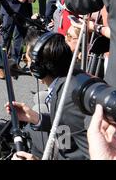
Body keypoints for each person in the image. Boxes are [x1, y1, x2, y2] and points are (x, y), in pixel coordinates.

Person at [10, 28, 89, 160]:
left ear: (37, 69)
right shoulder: (72, 79)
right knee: (33, 124)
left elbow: (71, 153)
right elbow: (66, 128)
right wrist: (36, 118)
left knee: (32, 132)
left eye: (27, 60)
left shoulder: (66, 100)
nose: (27, 65)